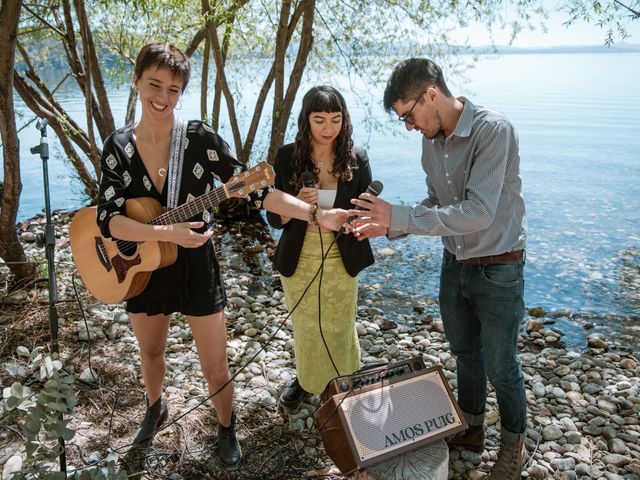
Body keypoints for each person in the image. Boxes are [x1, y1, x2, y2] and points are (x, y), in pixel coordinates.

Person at [96, 43, 348, 471]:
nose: (163, 96)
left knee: (216, 363)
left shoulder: (199, 138)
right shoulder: (118, 146)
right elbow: (108, 219)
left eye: (174, 89)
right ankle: (154, 407)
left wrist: (313, 212)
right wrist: (161, 231)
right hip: (141, 266)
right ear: (137, 81)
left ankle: (226, 427)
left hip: (196, 262)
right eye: (154, 84)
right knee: (151, 352)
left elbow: (259, 191)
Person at [347, 58, 528, 480]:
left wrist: (402, 216)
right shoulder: (430, 142)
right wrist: (387, 225)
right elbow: (438, 206)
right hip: (455, 263)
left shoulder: (492, 130)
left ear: (431, 94)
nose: (408, 127)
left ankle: (513, 448)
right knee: (465, 352)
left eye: (408, 115)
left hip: (500, 266)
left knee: (502, 365)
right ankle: (472, 428)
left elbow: (478, 213)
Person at [266, 86, 374, 410]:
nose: (329, 129)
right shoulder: (287, 156)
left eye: (336, 120)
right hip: (300, 254)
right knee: (306, 324)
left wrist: (357, 217)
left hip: (342, 254)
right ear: (306, 120)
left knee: (340, 324)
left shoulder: (357, 157)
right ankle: (305, 381)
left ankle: (345, 382)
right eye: (320, 120)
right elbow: (275, 218)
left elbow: (367, 211)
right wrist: (296, 203)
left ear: (345, 120)